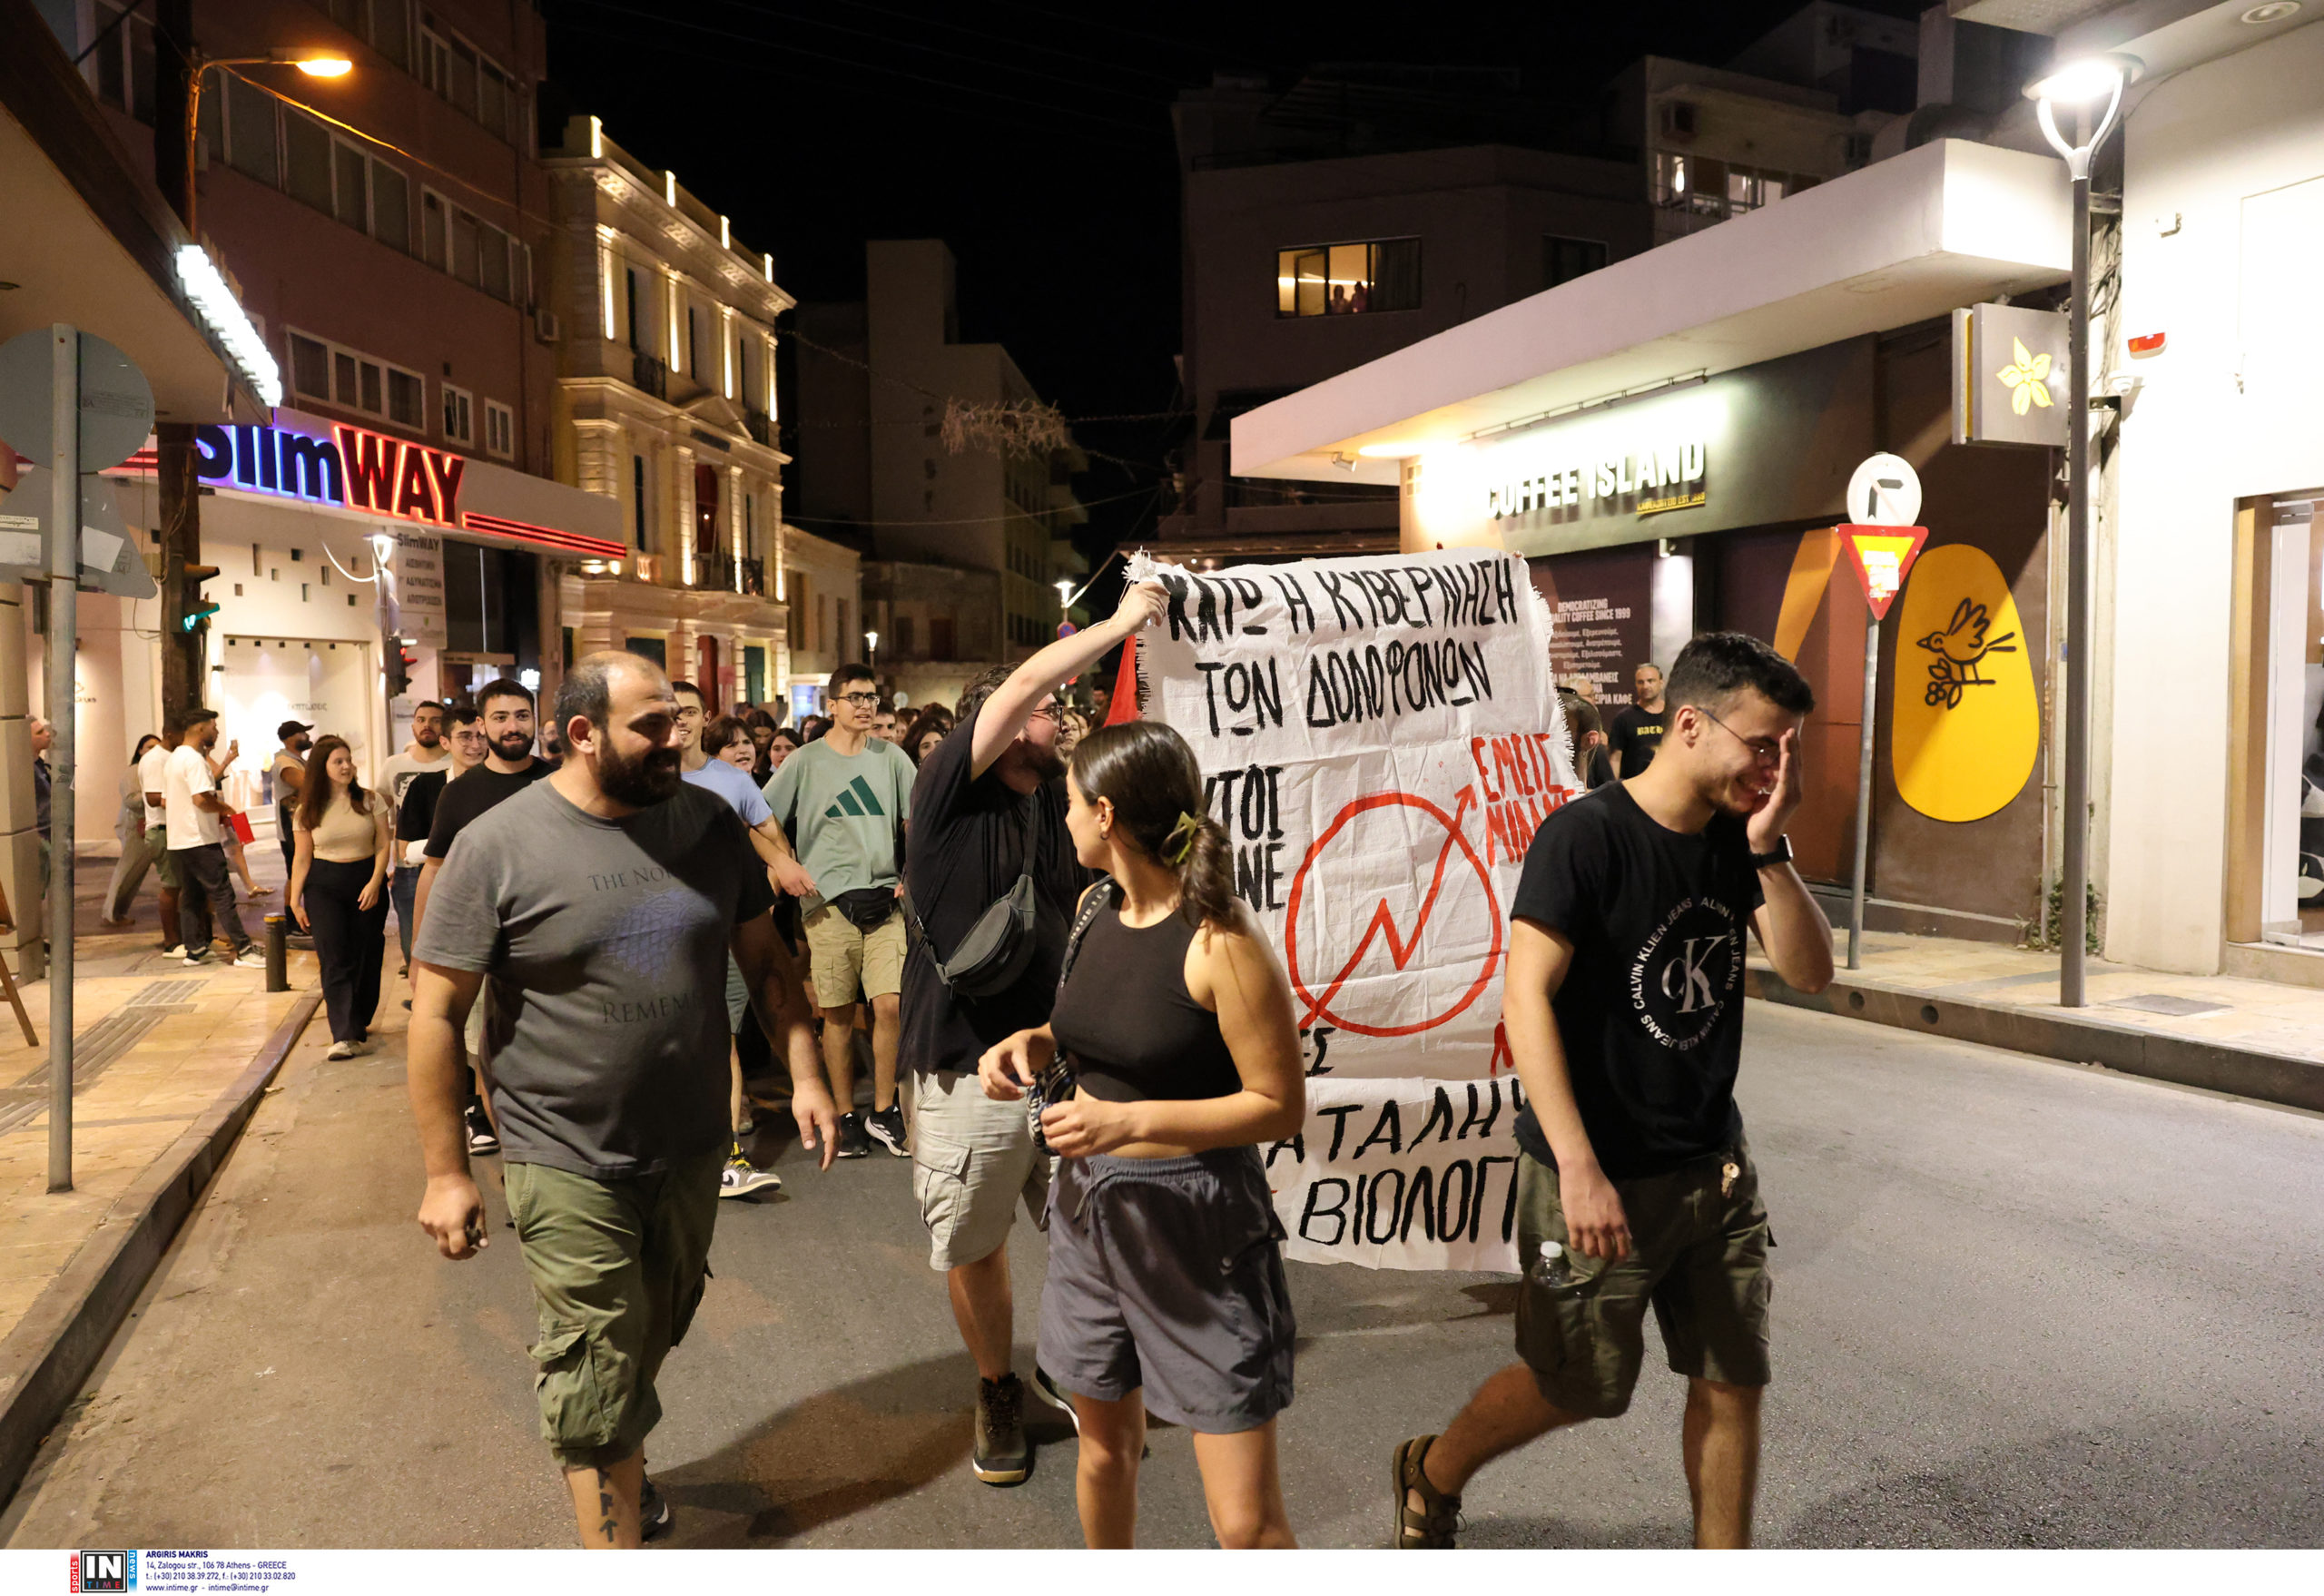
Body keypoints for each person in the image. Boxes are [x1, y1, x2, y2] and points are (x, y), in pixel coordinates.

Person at [1390, 632, 1834, 1551]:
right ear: (1687, 724)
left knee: (1730, 1379)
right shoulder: (1584, 837)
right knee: (1577, 1386)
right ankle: (1433, 1467)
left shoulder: (1734, 843)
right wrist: (1580, 1168)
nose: (1775, 765)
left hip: (1713, 1169)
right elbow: (1525, 1000)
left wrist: (1770, 849)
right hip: (1592, 1174)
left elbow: (1810, 970)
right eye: (1763, 744)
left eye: (1788, 747)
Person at [408, 650, 836, 1550]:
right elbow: (438, 1011)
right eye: (651, 725)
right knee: (596, 1361)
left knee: (648, 1330)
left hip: (688, 1147)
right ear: (581, 732)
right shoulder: (498, 843)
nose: (675, 739)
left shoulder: (711, 825)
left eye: (679, 720)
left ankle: (617, 1454)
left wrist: (803, 1069)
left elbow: (764, 961)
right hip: (560, 1148)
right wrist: (446, 1171)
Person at [979, 720, 1305, 1548]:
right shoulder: (1096, 906)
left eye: (1070, 805)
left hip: (1197, 1226)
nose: (1064, 820)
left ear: (1108, 814)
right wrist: (1037, 1041)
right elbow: (1090, 1027)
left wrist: (1130, 1120)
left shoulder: (1218, 940)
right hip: (1089, 1218)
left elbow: (1277, 1104)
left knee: (1245, 1523)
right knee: (1103, 1453)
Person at [901, 577, 1167, 1486]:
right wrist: (1120, 622)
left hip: (1067, 1065)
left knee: (1099, 1229)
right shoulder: (950, 795)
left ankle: (1082, 1366)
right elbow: (1018, 691)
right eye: (1039, 711)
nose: (1045, 722)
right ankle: (995, 1387)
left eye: (1054, 713)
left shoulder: (1066, 808)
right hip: (961, 1069)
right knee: (975, 1245)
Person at [761, 664, 917, 1161]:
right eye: (855, 697)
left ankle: (886, 1110)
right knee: (838, 1015)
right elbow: (758, 817)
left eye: (872, 697)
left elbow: (919, 822)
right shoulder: (805, 761)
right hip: (828, 909)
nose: (865, 706)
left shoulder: (892, 758)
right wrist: (785, 864)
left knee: (889, 1005)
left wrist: (912, 875)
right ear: (831, 705)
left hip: (884, 902)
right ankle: (847, 1111)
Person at [413, 681, 556, 1155]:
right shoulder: (460, 795)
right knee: (494, 1065)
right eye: (500, 717)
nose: (512, 726)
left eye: (521, 715)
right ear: (481, 725)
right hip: (481, 953)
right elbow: (432, 877)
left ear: (535, 719)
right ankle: (520, 1166)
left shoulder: (561, 781)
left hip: (555, 950)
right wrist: (419, 957)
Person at [669, 684, 795, 1199]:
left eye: (689, 713)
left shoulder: (731, 780)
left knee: (722, 1039)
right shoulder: (638, 781)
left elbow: (775, 844)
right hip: (661, 943)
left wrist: (751, 905)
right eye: (670, 713)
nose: (680, 722)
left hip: (723, 936)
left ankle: (726, 1155)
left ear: (705, 719)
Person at [290, 734, 393, 1060]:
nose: (346, 766)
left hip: (365, 880)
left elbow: (382, 843)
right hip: (323, 887)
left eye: (348, 759)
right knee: (334, 957)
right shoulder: (308, 810)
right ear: (323, 767)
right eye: (338, 761)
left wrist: (376, 881)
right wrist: (294, 900)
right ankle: (344, 1034)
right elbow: (302, 858)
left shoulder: (370, 800)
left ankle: (359, 1017)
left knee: (367, 953)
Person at [162, 709, 262, 969]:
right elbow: (200, 799)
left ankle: (195, 949)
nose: (216, 732)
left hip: (180, 840)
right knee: (222, 894)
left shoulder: (175, 759)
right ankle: (244, 949)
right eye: (213, 727)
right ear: (199, 729)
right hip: (200, 839)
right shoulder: (194, 760)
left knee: (192, 896)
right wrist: (225, 809)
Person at [379, 702, 451, 976]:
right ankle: (418, 989)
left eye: (434, 720)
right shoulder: (394, 765)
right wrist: (391, 864)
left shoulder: (457, 762)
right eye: (421, 719)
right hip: (407, 866)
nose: (426, 725)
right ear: (412, 725)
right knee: (411, 939)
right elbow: (382, 814)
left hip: (447, 862)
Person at [101, 734, 164, 928]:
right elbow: (131, 799)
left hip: (149, 825)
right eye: (149, 747)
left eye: (157, 747)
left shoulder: (158, 770)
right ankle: (111, 913)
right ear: (140, 750)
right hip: (136, 826)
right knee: (127, 870)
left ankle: (117, 912)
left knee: (135, 873)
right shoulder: (134, 772)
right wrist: (154, 798)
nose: (153, 751)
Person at [1609, 662, 1669, 779]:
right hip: (1634, 790)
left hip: (1669, 787)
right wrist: (1615, 790)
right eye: (1640, 682)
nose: (1645, 686)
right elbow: (1615, 759)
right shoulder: (1624, 718)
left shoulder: (1674, 715)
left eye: (1651, 681)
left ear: (1661, 683)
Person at [271, 722, 312, 881]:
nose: (306, 736)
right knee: (298, 876)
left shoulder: (295, 761)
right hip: (293, 831)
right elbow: (307, 784)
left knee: (296, 876)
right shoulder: (285, 763)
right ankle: (292, 906)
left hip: (299, 828)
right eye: (302, 733)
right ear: (288, 739)